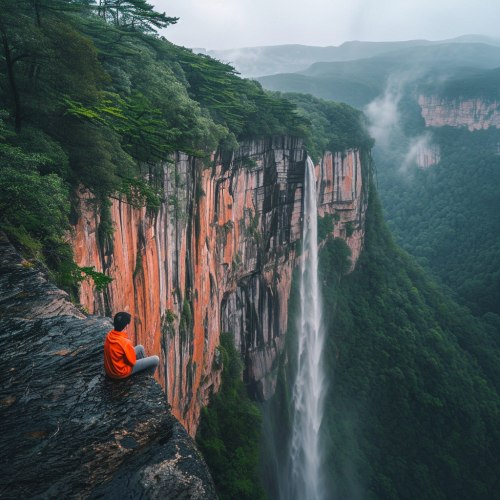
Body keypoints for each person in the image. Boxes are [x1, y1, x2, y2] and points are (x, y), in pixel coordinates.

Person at [104, 312, 159, 379]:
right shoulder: (125, 342)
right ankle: (148, 378)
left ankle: (145, 372)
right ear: (126, 326)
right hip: (120, 373)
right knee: (156, 359)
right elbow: (132, 361)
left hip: (110, 371)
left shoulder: (110, 335)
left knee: (140, 347)